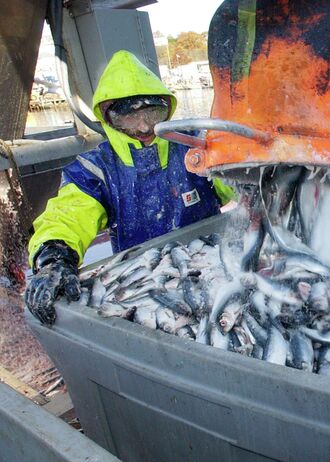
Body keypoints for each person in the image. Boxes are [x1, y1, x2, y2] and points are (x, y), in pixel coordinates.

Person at [25, 50, 235, 325]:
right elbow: (68, 215)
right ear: (108, 119)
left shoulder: (196, 147)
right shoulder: (96, 169)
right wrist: (54, 257)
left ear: (167, 109)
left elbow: (238, 183)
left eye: (153, 112)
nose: (144, 126)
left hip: (213, 263)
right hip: (143, 280)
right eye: (129, 118)